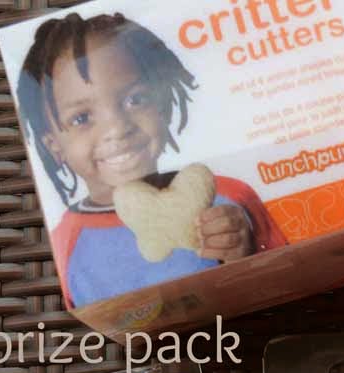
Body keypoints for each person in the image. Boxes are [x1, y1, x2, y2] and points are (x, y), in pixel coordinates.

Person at [17, 12, 287, 308]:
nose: (117, 128)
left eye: (135, 99)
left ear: (162, 102)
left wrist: (246, 257)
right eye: (82, 118)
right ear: (54, 146)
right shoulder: (63, 248)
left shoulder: (231, 199)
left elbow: (286, 280)